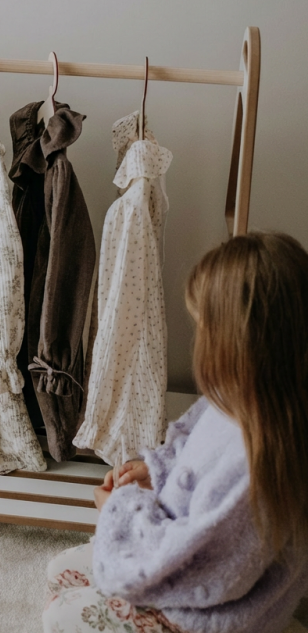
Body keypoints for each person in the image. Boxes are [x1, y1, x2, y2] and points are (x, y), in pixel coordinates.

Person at [43, 232, 308, 633]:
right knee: (61, 571)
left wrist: (120, 509)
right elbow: (196, 443)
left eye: (203, 327)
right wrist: (157, 470)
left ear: (236, 345)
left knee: (62, 616)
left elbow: (195, 567)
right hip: (193, 549)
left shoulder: (258, 461)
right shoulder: (249, 394)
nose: (197, 339)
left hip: (211, 609)